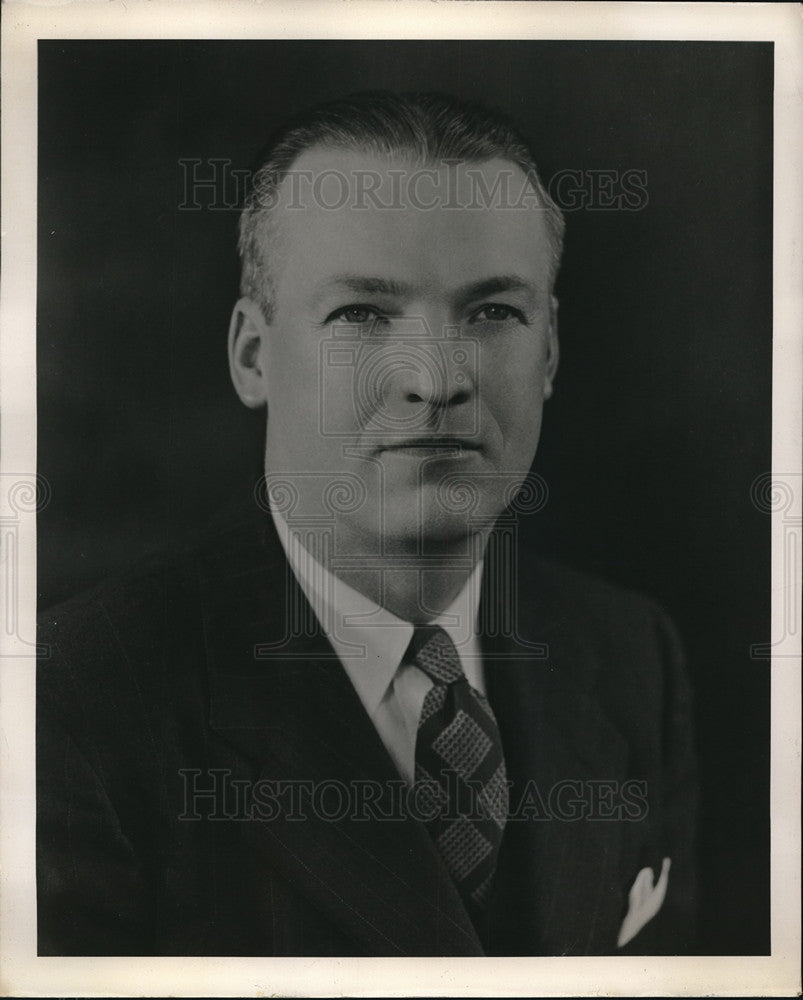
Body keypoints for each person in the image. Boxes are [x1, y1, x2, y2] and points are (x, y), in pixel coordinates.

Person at [37, 91, 698, 956]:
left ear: (550, 354)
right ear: (252, 354)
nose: (435, 381)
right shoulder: (71, 706)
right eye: (362, 315)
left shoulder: (629, 655)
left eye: (493, 312)